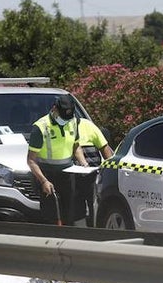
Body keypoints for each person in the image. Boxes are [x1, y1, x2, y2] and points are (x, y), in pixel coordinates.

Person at [27, 95, 83, 226]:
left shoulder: (73, 121)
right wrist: (43, 181)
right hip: (47, 176)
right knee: (52, 218)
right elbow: (31, 160)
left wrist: (83, 162)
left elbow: (76, 145)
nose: (65, 120)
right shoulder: (41, 127)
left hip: (68, 175)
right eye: (63, 117)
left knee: (70, 217)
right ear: (54, 109)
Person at [74, 117, 113, 226]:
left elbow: (105, 148)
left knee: (94, 204)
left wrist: (110, 171)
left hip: (93, 175)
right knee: (76, 206)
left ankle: (94, 230)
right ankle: (79, 233)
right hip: (72, 176)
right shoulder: (60, 128)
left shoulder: (88, 126)